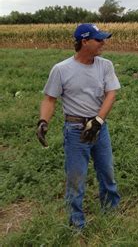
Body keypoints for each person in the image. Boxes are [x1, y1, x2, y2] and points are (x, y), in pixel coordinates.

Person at [36, 23, 121, 229]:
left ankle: (110, 213)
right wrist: (43, 121)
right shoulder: (61, 69)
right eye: (99, 39)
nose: (103, 43)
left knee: (107, 172)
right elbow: (50, 99)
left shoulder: (105, 65)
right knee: (76, 178)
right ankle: (76, 223)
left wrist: (98, 121)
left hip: (99, 128)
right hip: (75, 131)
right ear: (84, 41)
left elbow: (111, 94)